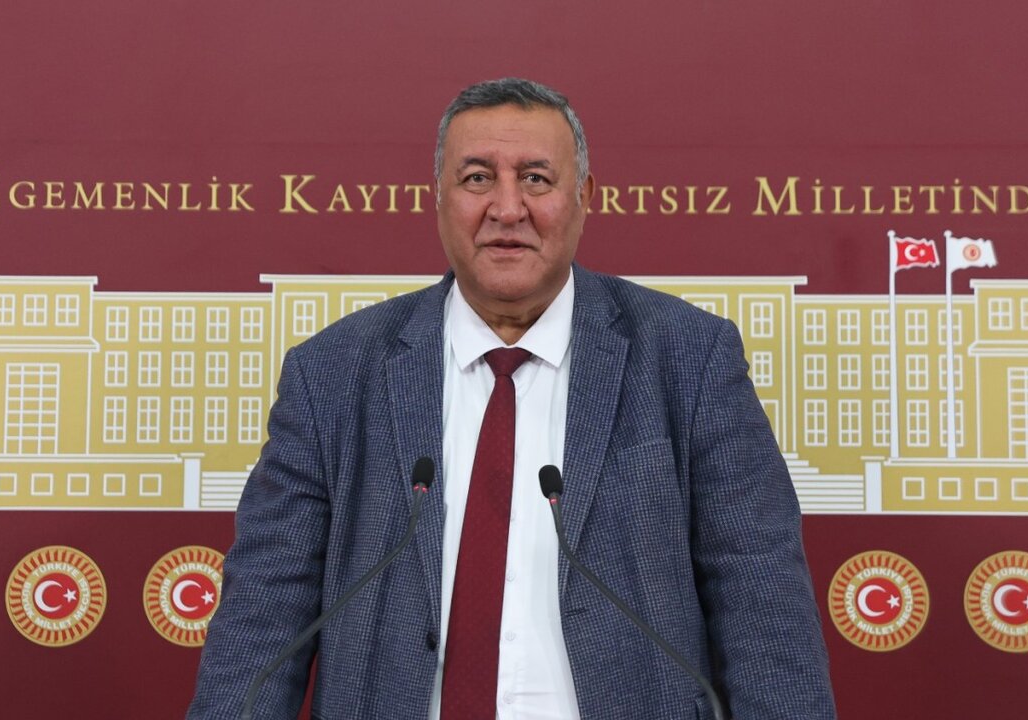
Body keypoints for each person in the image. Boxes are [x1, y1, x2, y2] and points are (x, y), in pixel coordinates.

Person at [188, 78, 835, 720]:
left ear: (584, 197)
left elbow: (764, 608)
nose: (506, 208)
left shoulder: (688, 359)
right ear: (438, 198)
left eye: (535, 179)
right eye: (477, 178)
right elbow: (262, 620)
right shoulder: (332, 374)